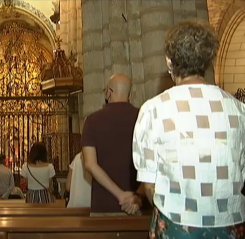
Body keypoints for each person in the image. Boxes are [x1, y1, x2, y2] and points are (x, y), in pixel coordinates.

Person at [133, 20, 245, 238]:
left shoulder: (153, 110)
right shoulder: (239, 110)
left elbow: (149, 186)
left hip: (177, 225)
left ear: (169, 61)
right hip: (230, 224)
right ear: (208, 59)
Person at [82, 73, 144, 215]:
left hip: (104, 206)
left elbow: (90, 164)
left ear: (108, 92)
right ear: (130, 94)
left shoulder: (92, 121)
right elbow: (154, 162)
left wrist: (120, 195)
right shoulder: (144, 117)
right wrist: (137, 196)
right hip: (138, 206)